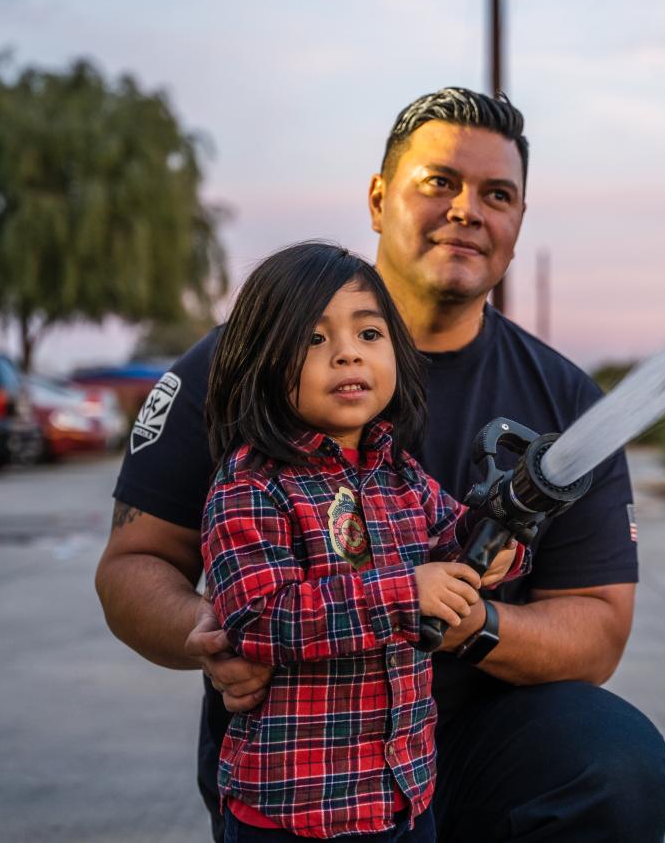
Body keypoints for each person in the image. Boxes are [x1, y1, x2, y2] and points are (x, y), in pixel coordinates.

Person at [96, 87, 665, 843]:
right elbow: (130, 564)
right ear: (378, 199)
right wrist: (207, 632)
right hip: (300, 762)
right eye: (439, 182)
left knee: (619, 764)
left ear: (517, 223)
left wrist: (473, 621)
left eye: (497, 194)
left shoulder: (567, 401)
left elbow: (599, 629)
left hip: (476, 744)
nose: (467, 210)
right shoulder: (241, 364)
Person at [202, 242, 525, 841]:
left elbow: (456, 539)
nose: (348, 352)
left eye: (369, 334)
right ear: (261, 360)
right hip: (295, 810)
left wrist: (497, 546)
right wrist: (408, 594)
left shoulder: (398, 472)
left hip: (404, 796)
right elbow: (260, 619)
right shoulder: (250, 485)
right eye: (314, 339)